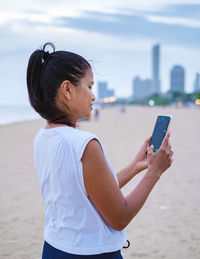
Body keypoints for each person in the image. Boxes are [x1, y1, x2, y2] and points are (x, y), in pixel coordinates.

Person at [26, 42, 173, 259]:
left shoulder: (43, 137)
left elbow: (88, 191)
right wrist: (155, 172)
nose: (93, 96)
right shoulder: (85, 143)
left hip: (54, 248)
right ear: (67, 89)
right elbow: (119, 216)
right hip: (90, 254)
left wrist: (136, 166)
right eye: (89, 86)